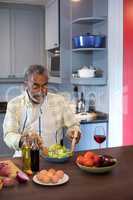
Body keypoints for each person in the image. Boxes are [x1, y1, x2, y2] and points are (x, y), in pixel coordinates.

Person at [3, 65, 81, 157]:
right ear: (26, 85)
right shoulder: (14, 104)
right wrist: (23, 140)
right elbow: (8, 135)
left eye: (44, 86)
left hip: (54, 158)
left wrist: (73, 132)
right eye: (35, 86)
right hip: (25, 159)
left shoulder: (60, 101)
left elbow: (73, 125)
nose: (40, 92)